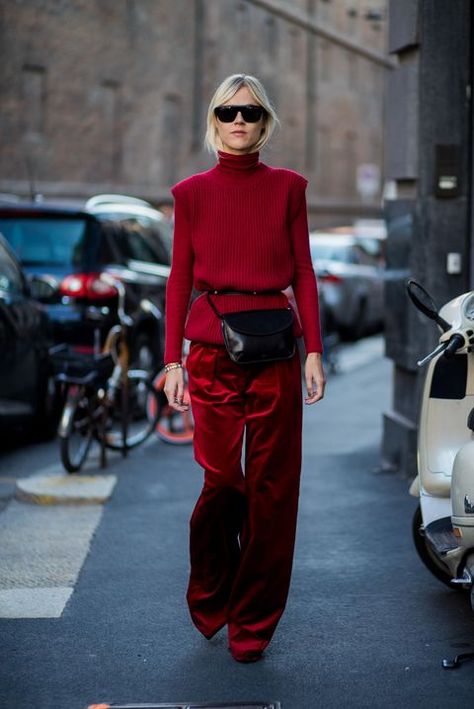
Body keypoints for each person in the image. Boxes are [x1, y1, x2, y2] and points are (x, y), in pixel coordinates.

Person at [163, 73, 325, 663]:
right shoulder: (190, 194)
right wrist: (170, 360)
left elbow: (303, 271)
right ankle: (213, 589)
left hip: (277, 351)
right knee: (224, 479)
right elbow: (178, 277)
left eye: (251, 114)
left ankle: (253, 620)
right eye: (228, 112)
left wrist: (314, 351)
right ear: (213, 120)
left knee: (272, 490)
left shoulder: (289, 188)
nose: (239, 122)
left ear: (265, 123)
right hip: (208, 353)